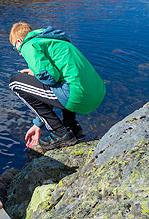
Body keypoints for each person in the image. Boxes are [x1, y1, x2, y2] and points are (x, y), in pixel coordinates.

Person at [8, 22, 106, 150]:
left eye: (16, 48)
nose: (19, 53)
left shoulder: (28, 45)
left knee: (15, 82)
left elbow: (50, 79)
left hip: (77, 97)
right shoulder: (53, 40)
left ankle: (60, 132)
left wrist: (35, 75)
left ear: (20, 40)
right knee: (65, 81)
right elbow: (58, 79)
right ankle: (72, 126)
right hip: (95, 94)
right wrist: (38, 124)